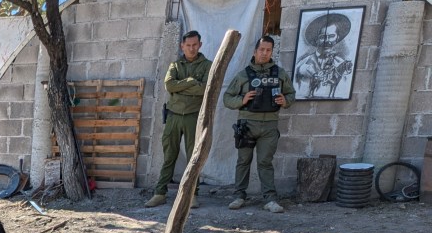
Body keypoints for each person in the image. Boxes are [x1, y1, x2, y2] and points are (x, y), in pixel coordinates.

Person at [223, 36, 295, 213]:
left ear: (272, 52)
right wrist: (242, 100)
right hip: (247, 125)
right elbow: (227, 98)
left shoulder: (279, 74)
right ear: (255, 51)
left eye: (268, 50)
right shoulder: (243, 75)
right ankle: (239, 196)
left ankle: (270, 199)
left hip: (269, 125)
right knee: (243, 161)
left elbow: (291, 94)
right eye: (261, 49)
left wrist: (285, 100)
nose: (264, 53)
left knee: (265, 162)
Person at [145, 31, 212, 209]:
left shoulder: (207, 65)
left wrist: (181, 86)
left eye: (195, 45)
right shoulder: (175, 65)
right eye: (188, 45)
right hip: (173, 116)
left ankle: (192, 195)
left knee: (193, 158)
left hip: (193, 117)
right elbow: (169, 85)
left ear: (200, 45)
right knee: (169, 156)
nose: (191, 48)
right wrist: (191, 82)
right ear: (182, 46)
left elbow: (204, 89)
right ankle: (160, 193)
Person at [293, 13, 353, 99]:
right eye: (322, 37)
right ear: (316, 40)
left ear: (337, 38)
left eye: (331, 36)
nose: (327, 41)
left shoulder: (341, 64)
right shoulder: (302, 65)